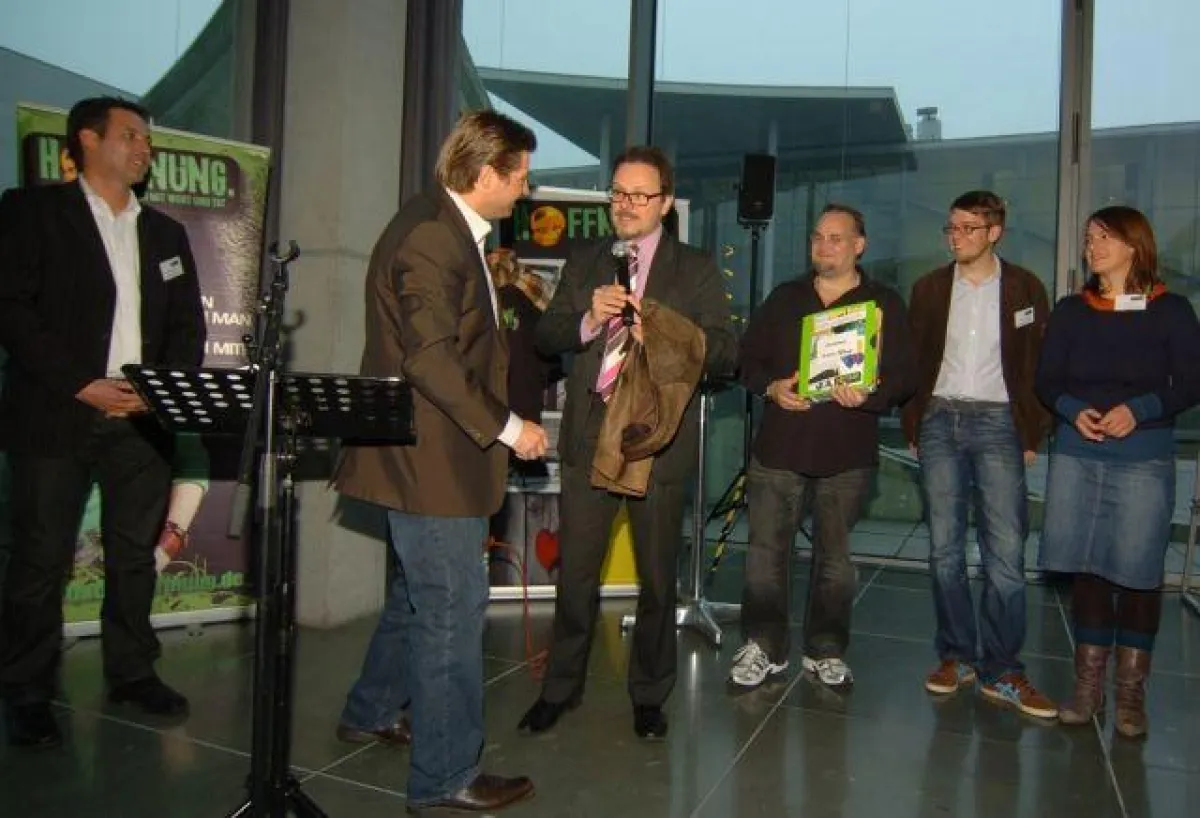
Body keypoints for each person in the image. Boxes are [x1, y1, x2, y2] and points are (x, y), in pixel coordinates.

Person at [332, 110, 545, 814]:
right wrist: (511, 429)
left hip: (426, 456)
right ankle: (445, 775)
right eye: (519, 176)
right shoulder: (431, 236)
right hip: (433, 459)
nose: (526, 189)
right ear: (485, 175)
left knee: (418, 595)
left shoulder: (446, 227)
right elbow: (430, 358)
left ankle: (369, 710)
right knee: (452, 611)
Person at [0, 96, 205, 749]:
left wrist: (154, 393)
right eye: (131, 136)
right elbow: (12, 309)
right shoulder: (31, 213)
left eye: (147, 138)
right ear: (87, 140)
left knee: (133, 556)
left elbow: (185, 331)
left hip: (140, 421)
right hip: (56, 413)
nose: (145, 148)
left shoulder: (166, 235)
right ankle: (28, 688)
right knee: (39, 557)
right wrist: (82, 384)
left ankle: (132, 671)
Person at [518, 146, 736, 739]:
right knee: (575, 578)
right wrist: (589, 320)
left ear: (666, 202)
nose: (626, 205)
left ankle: (649, 695)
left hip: (655, 446)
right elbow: (546, 335)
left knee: (658, 582)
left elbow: (723, 356)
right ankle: (560, 690)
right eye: (618, 192)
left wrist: (662, 327)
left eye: (640, 195)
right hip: (591, 441)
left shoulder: (693, 269)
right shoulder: (586, 258)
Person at [728, 203, 913, 691]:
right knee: (764, 556)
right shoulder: (784, 298)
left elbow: (904, 375)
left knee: (836, 563)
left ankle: (825, 650)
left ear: (860, 245)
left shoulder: (884, 304)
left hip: (846, 452)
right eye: (817, 237)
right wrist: (770, 388)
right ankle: (764, 648)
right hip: (780, 448)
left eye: (836, 237)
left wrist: (870, 393)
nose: (824, 245)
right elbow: (746, 359)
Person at [1037, 205, 1200, 737]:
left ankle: (1130, 695)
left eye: (1103, 236)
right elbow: (1046, 380)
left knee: (1137, 576)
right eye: (1087, 237)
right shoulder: (1070, 310)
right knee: (1087, 570)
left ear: (1134, 244)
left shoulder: (1171, 310)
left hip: (1142, 458)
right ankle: (1087, 689)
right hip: (1079, 454)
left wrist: (1143, 409)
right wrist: (1069, 409)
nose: (1092, 245)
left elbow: (1191, 383)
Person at [901, 190, 1057, 719]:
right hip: (940, 418)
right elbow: (912, 362)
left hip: (999, 423)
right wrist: (915, 422)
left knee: (1006, 553)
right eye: (951, 228)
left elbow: (1040, 363)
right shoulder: (927, 289)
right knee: (944, 550)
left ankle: (1004, 668)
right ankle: (957, 657)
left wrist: (1032, 432)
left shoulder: (1025, 288)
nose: (957, 237)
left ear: (996, 232)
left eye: (969, 228)